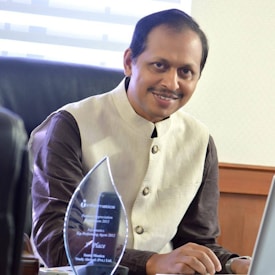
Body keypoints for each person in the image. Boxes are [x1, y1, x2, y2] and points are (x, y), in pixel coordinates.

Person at [29, 9, 251, 275]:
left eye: (185, 72)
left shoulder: (200, 142)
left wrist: (232, 263)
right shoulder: (69, 125)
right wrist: (151, 262)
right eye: (159, 65)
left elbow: (196, 243)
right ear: (129, 62)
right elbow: (53, 242)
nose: (171, 82)